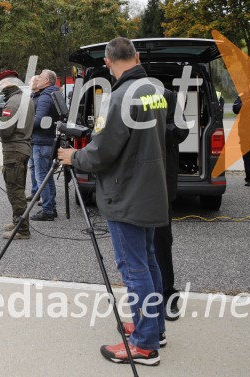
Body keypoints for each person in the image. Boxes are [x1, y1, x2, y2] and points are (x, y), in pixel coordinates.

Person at [57, 37, 167, 366]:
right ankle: (154, 326)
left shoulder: (118, 97)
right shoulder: (154, 91)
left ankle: (145, 345)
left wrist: (73, 156)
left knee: (134, 269)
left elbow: (103, 151)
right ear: (136, 56)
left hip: (126, 193)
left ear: (107, 62)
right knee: (148, 263)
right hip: (149, 189)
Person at [154, 88, 188, 321]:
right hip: (131, 185)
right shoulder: (120, 96)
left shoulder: (166, 96)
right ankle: (144, 296)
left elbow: (180, 131)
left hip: (161, 181)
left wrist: (149, 127)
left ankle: (167, 292)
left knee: (161, 240)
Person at [0, 69, 35, 240]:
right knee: (18, 187)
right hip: (23, 147)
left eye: (1, 83)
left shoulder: (12, 102)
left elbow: (5, 130)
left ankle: (22, 229)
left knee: (15, 189)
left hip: (14, 150)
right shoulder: (25, 99)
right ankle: (18, 221)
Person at [30, 69, 60, 221]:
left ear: (47, 81)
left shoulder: (44, 97)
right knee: (47, 175)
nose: (37, 79)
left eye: (40, 77)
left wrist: (23, 126)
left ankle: (48, 210)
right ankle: (51, 206)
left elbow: (39, 120)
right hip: (49, 141)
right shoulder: (54, 94)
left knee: (42, 176)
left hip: (41, 141)